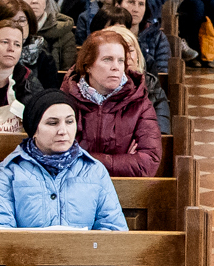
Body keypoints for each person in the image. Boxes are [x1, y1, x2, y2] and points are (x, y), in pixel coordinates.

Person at [0, 89, 127, 230]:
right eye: (52, 123)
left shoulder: (94, 170)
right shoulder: (9, 171)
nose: (63, 131)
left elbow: (114, 230)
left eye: (69, 122)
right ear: (34, 129)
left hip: (83, 249)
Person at [68, 28, 163, 176]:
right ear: (88, 66)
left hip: (126, 189)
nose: (116, 67)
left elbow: (148, 163)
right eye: (107, 59)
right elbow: (58, 157)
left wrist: (84, 159)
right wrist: (125, 160)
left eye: (120, 61)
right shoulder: (66, 101)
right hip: (74, 187)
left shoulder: (140, 104)